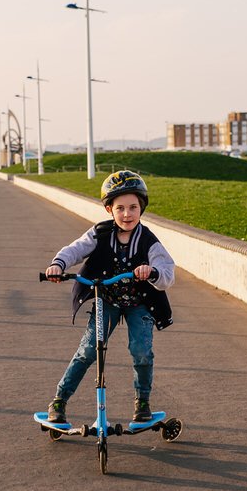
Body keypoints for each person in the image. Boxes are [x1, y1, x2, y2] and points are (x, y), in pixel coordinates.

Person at [44, 170, 175, 424]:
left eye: (133, 207)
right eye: (121, 208)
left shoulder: (149, 241)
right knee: (89, 350)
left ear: (142, 208)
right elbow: (76, 249)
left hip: (140, 302)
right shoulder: (100, 233)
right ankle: (59, 400)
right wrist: (59, 265)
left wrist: (153, 271)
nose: (127, 214)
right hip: (107, 299)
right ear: (109, 210)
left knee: (141, 351)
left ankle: (143, 401)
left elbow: (168, 271)